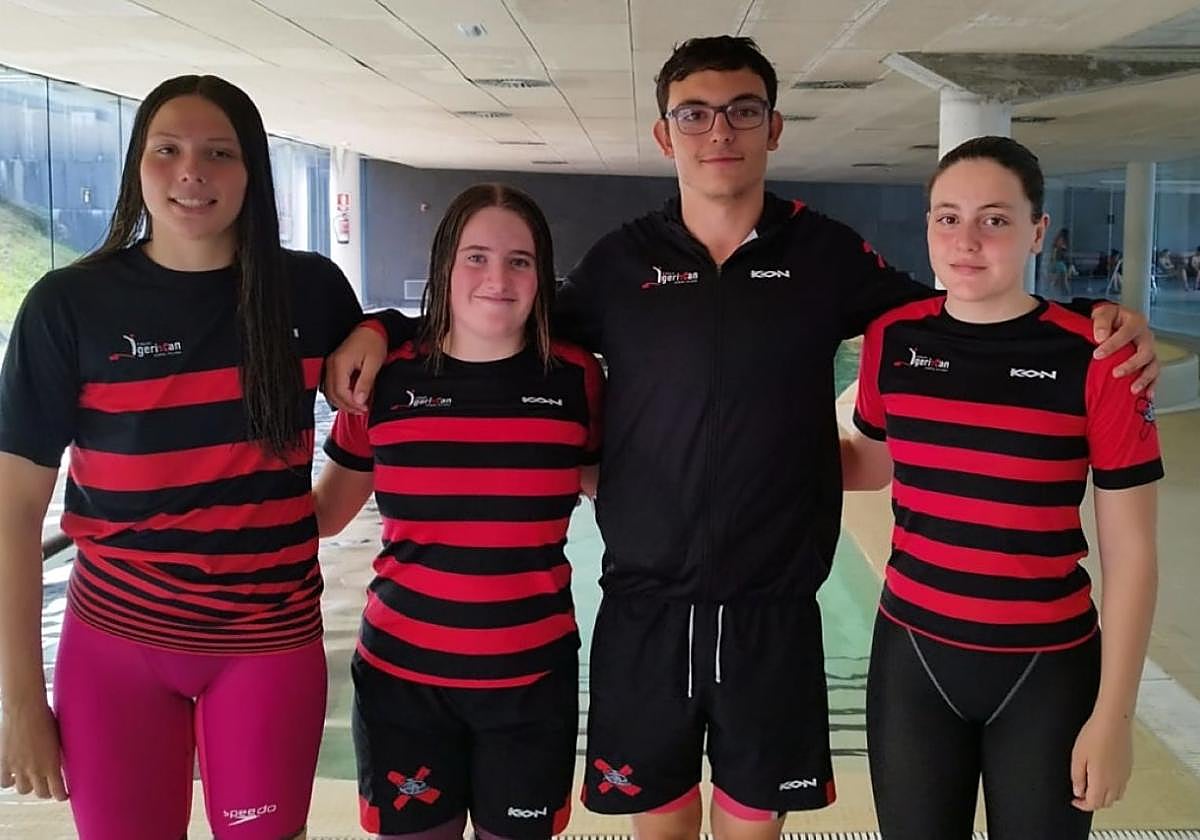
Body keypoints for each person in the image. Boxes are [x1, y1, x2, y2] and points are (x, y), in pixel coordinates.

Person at [324, 37, 1158, 840]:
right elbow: (502, 319)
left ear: (774, 127)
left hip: (774, 607)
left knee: (754, 821)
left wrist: (1092, 319)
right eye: (694, 113)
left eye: (742, 110)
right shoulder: (623, 264)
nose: (718, 131)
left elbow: (961, 308)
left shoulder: (824, 253)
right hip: (645, 605)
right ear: (665, 135)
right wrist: (383, 326)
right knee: (661, 819)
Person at [0, 75, 364, 839]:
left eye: (219, 153)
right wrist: (22, 704)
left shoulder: (309, 293)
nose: (191, 171)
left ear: (251, 171)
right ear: (137, 164)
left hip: (269, 644)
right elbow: (13, 513)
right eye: (167, 150)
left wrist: (380, 331)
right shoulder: (69, 306)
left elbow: (401, 385)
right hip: (114, 650)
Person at [842, 136, 1160, 840]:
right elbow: (870, 463)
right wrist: (744, 453)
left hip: (1047, 671)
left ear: (1037, 231)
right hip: (912, 657)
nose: (967, 240)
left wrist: (1114, 717)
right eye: (947, 218)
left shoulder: (1099, 357)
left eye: (995, 219)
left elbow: (1133, 554)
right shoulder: (892, 339)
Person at [313, 183, 603, 840]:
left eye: (519, 261)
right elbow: (327, 514)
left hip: (531, 682)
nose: (497, 279)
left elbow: (606, 485)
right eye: (476, 257)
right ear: (444, 264)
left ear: (542, 275)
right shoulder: (385, 378)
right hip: (401, 683)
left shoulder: (574, 376)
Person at [1049, 228, 1072, 296]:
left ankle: (1065, 293)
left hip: (1059, 263)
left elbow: (1056, 255)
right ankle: (1066, 293)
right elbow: (1055, 255)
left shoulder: (1062, 244)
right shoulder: (1061, 244)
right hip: (1059, 264)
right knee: (1060, 280)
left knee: (1060, 280)